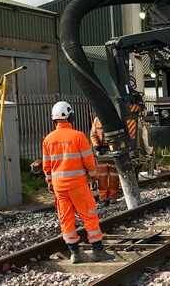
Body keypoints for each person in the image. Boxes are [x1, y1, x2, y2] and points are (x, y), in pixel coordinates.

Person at [42, 101, 115, 264]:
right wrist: (95, 176)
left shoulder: (48, 140)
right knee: (89, 216)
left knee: (66, 219)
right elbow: (89, 161)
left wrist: (50, 182)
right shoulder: (78, 136)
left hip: (60, 188)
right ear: (70, 116)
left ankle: (75, 253)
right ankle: (97, 251)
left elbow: (46, 166)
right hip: (78, 186)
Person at [90, 114, 120, 207]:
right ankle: (103, 198)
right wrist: (96, 145)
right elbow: (93, 134)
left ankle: (112, 197)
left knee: (114, 177)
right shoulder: (97, 120)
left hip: (113, 151)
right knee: (102, 177)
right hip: (101, 152)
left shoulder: (115, 119)